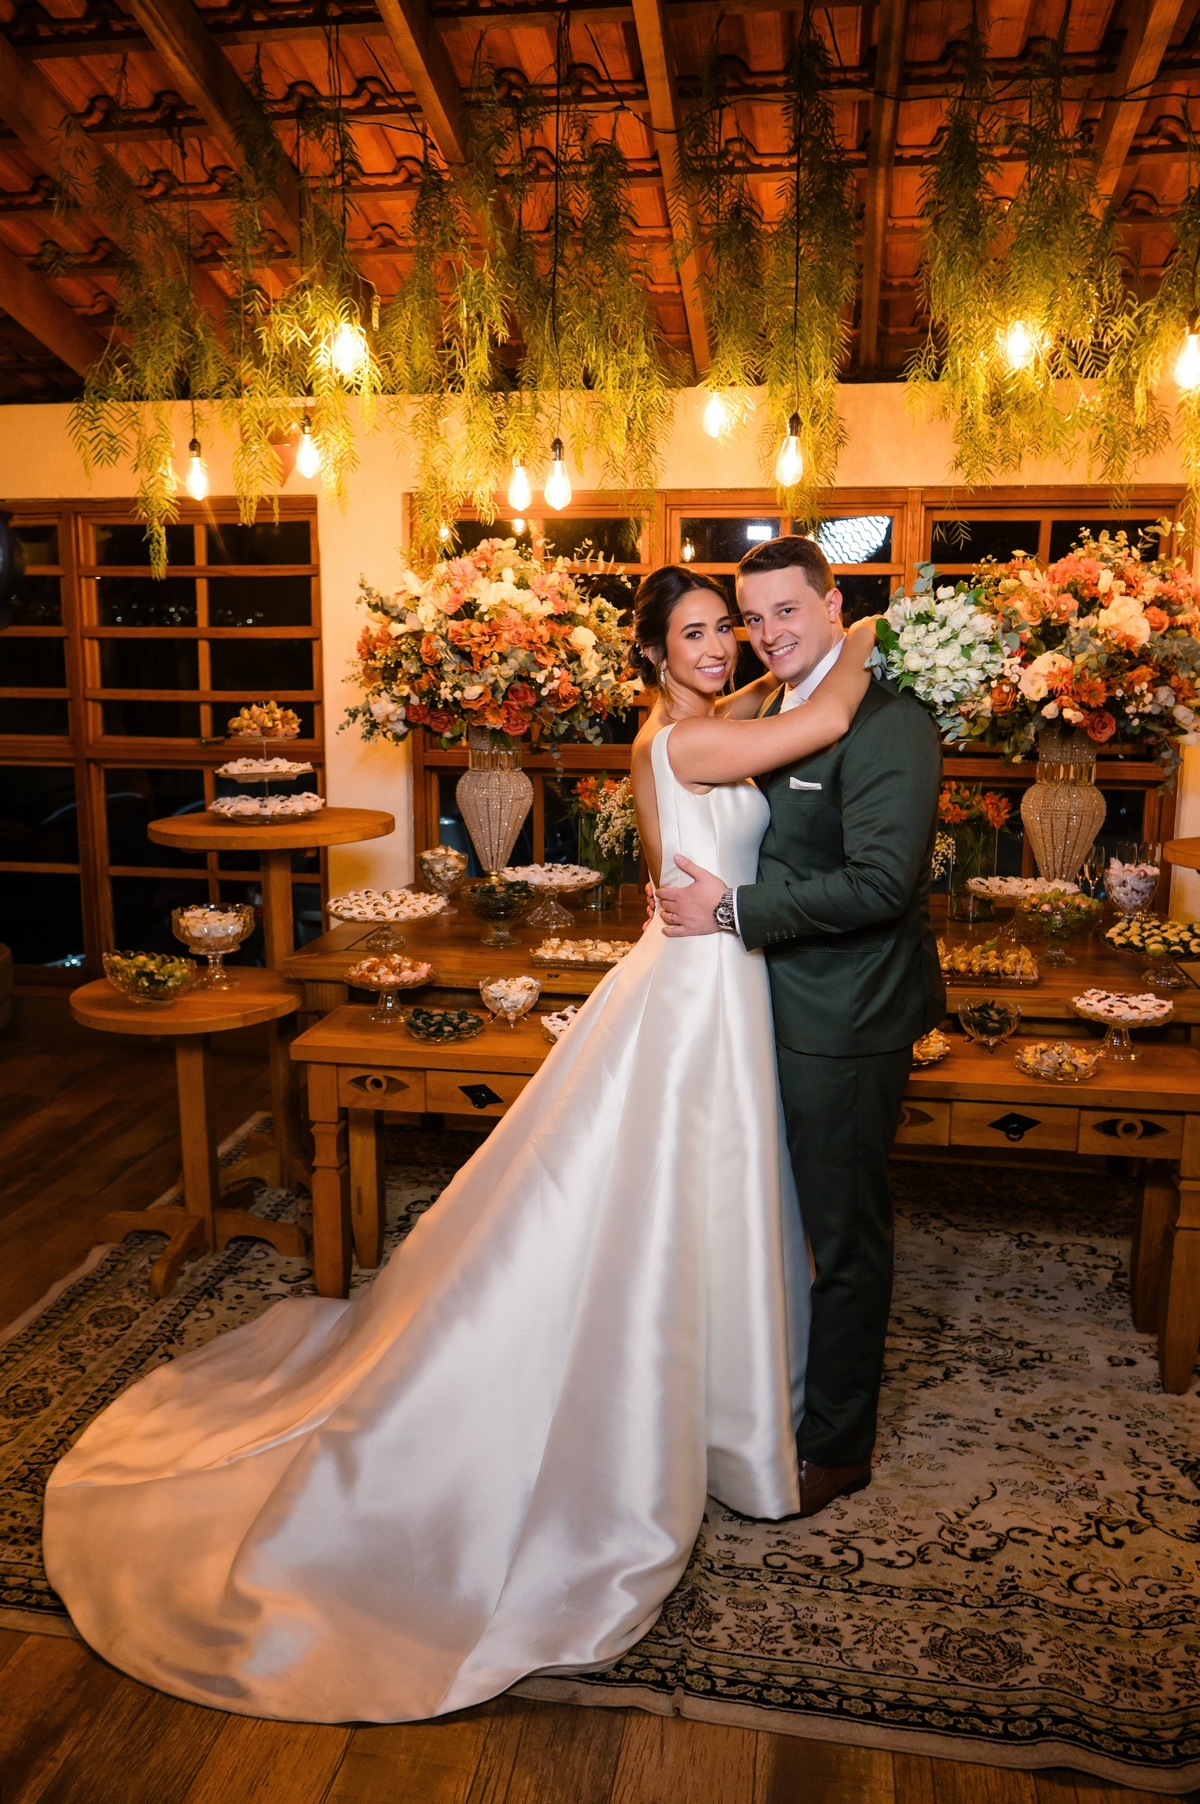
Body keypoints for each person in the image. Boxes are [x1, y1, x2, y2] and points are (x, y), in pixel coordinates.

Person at [42, 570, 877, 1727]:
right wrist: (881, 632)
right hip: (698, 991)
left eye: (726, 629)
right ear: (651, 654)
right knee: (672, 1191)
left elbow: (740, 748)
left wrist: (820, 642)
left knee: (698, 1191)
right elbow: (827, 716)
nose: (722, 647)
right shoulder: (687, 745)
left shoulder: (688, 729)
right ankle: (678, 1406)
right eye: (695, 633)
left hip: (705, 970)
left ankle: (714, 1392)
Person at [657, 536, 945, 1517]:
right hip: (758, 1011)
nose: (769, 632)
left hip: (846, 1019)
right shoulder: (776, 706)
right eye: (754, 616)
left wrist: (733, 911)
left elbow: (878, 883)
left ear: (832, 606)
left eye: (790, 610)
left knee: (843, 1238)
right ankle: (764, 1396)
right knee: (772, 1222)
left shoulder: (890, 721)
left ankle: (838, 1442)